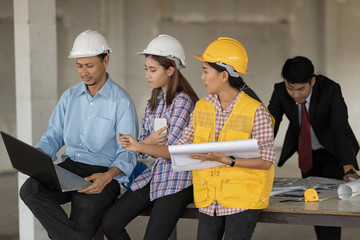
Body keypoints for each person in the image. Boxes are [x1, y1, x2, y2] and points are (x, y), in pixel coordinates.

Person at [119, 37, 276, 240]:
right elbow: (178, 150)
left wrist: (227, 160)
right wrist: (139, 146)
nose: (201, 77)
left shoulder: (256, 111)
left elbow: (266, 161)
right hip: (209, 198)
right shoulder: (202, 107)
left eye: (205, 71)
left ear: (224, 75)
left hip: (242, 200)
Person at [19, 30, 138, 240]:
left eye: (89, 65)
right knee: (30, 189)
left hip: (101, 174)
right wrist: (36, 155)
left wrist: (108, 177)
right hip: (70, 167)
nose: (84, 72)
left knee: (79, 227)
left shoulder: (121, 102)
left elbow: (128, 152)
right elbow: (54, 135)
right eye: (79, 65)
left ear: (106, 61)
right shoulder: (70, 97)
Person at [101, 34, 199, 240]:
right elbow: (146, 144)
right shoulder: (154, 101)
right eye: (146, 69)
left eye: (153, 70)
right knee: (110, 223)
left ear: (171, 70)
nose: (147, 74)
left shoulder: (183, 101)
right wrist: (145, 145)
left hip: (179, 180)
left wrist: (141, 146)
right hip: (156, 174)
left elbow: (172, 151)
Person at [268, 56, 360, 240]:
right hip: (307, 154)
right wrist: (256, 153)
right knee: (314, 203)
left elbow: (340, 128)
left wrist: (348, 166)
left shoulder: (330, 90)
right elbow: (270, 124)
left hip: (334, 152)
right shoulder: (279, 91)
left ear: (312, 80)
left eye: (301, 89)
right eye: (290, 88)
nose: (295, 94)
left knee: (332, 208)